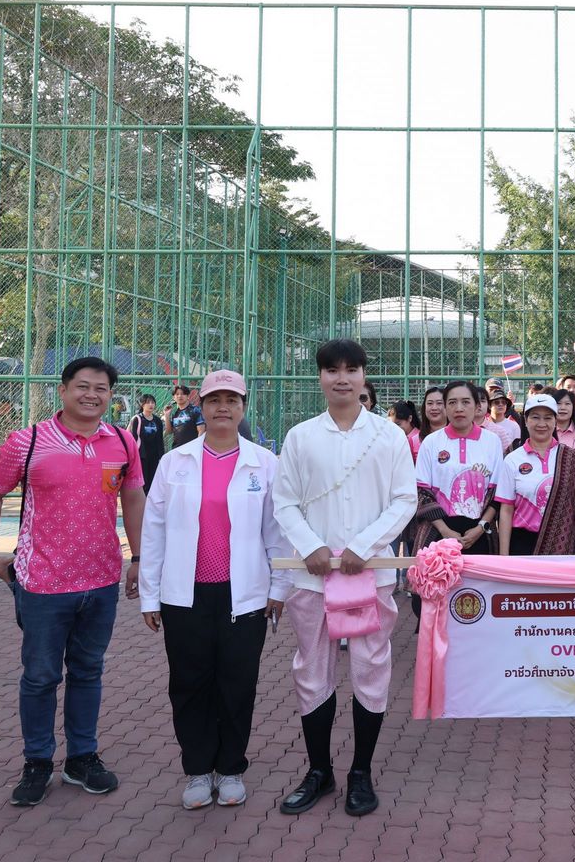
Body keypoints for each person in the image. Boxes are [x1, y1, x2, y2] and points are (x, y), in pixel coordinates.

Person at [0, 356, 145, 806]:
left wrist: (139, 557)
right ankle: (37, 761)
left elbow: (133, 498)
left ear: (111, 395)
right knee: (40, 676)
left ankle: (82, 758)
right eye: (83, 386)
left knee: (88, 671)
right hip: (42, 585)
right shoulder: (28, 441)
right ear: (63, 390)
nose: (92, 395)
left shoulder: (122, 442)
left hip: (101, 581)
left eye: (101, 388)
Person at [273, 339, 415, 818]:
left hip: (369, 577)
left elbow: (404, 499)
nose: (342, 378)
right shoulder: (300, 437)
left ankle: (360, 772)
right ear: (320, 377)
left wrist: (365, 546)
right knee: (312, 671)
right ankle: (319, 771)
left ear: (363, 376)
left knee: (370, 670)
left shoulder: (388, 436)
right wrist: (311, 545)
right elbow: (284, 501)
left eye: (351, 370)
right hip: (313, 579)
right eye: (332, 370)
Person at [139, 370, 290, 809]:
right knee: (189, 684)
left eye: (232, 400)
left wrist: (279, 587)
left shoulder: (265, 463)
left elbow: (277, 532)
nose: (223, 407)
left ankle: (230, 768)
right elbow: (154, 531)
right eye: (214, 400)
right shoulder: (175, 462)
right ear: (200, 407)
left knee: (237, 683)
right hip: (184, 595)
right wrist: (149, 595)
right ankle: (198, 771)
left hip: (245, 594)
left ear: (243, 408)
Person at [497, 394, 575, 555]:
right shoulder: (512, 459)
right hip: (522, 544)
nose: (541, 424)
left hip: (563, 544)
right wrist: (504, 555)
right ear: (526, 420)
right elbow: (506, 510)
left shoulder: (572, 458)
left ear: (555, 421)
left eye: (548, 418)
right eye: (535, 417)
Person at [412, 380, 503, 557]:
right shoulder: (431, 442)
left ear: (477, 406)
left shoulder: (492, 441)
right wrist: (444, 531)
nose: (459, 408)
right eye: (452, 402)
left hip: (480, 534)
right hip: (437, 532)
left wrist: (480, 528)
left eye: (466, 402)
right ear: (445, 407)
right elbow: (421, 491)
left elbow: (497, 492)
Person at [128, 394, 166, 495]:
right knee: (143, 479)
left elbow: (160, 439)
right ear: (142, 404)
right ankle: (142, 499)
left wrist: (161, 456)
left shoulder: (157, 420)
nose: (151, 405)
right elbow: (134, 438)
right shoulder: (137, 419)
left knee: (153, 479)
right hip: (142, 455)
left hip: (154, 455)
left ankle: (150, 500)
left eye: (152, 402)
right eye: (148, 402)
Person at [411, 386, 447, 459]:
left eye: (439, 403)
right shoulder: (414, 440)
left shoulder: (458, 438)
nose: (434, 408)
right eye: (430, 403)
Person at [549, 386, 575, 452]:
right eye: (558, 403)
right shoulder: (545, 431)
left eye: (567, 404)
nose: (563, 407)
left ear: (573, 407)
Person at [484, 387, 522, 453]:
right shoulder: (483, 425)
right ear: (489, 406)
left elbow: (516, 450)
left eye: (504, 402)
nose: (500, 404)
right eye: (497, 402)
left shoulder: (514, 426)